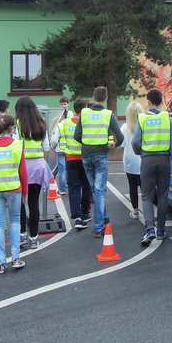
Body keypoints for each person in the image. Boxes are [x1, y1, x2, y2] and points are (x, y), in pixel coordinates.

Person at [75, 86, 124, 238]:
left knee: (95, 190)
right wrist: (111, 146)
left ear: (93, 97)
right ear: (105, 98)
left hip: (86, 156)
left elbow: (77, 136)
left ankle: (103, 217)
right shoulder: (108, 115)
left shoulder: (84, 113)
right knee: (100, 191)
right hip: (101, 155)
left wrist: (87, 144)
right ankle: (99, 227)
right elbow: (120, 137)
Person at [133, 88, 172, 246]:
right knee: (163, 194)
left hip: (147, 160)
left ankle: (149, 229)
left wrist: (140, 152)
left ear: (149, 101)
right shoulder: (168, 119)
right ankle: (161, 231)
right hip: (164, 160)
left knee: (146, 196)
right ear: (161, 101)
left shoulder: (142, 119)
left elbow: (135, 142)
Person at [0, 114, 28, 274]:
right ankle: (16, 258)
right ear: (12, 128)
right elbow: (23, 171)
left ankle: (1, 262)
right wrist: (25, 191)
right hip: (14, 188)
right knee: (15, 222)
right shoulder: (17, 145)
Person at [14, 97, 53, 249]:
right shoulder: (41, 123)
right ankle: (34, 238)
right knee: (34, 202)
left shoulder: (17, 125)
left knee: (20, 202)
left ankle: (22, 234)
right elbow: (47, 148)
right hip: (38, 165)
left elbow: (15, 146)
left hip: (22, 166)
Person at [63, 100, 92, 230]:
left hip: (70, 158)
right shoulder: (86, 123)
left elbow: (59, 139)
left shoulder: (65, 123)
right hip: (84, 158)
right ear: (84, 109)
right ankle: (85, 212)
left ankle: (77, 216)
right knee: (86, 185)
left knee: (73, 188)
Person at [121, 101, 143, 219]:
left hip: (129, 162)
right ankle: (148, 210)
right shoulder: (145, 125)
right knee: (146, 189)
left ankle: (135, 211)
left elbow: (122, 144)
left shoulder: (125, 127)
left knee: (132, 187)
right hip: (144, 161)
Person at [50, 97, 72, 195]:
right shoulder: (57, 117)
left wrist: (53, 145)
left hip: (67, 146)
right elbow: (54, 130)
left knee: (64, 167)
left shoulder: (70, 115)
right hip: (63, 146)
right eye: (62, 104)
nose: (63, 106)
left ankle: (63, 187)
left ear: (68, 104)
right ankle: (62, 186)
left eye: (65, 104)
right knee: (63, 167)